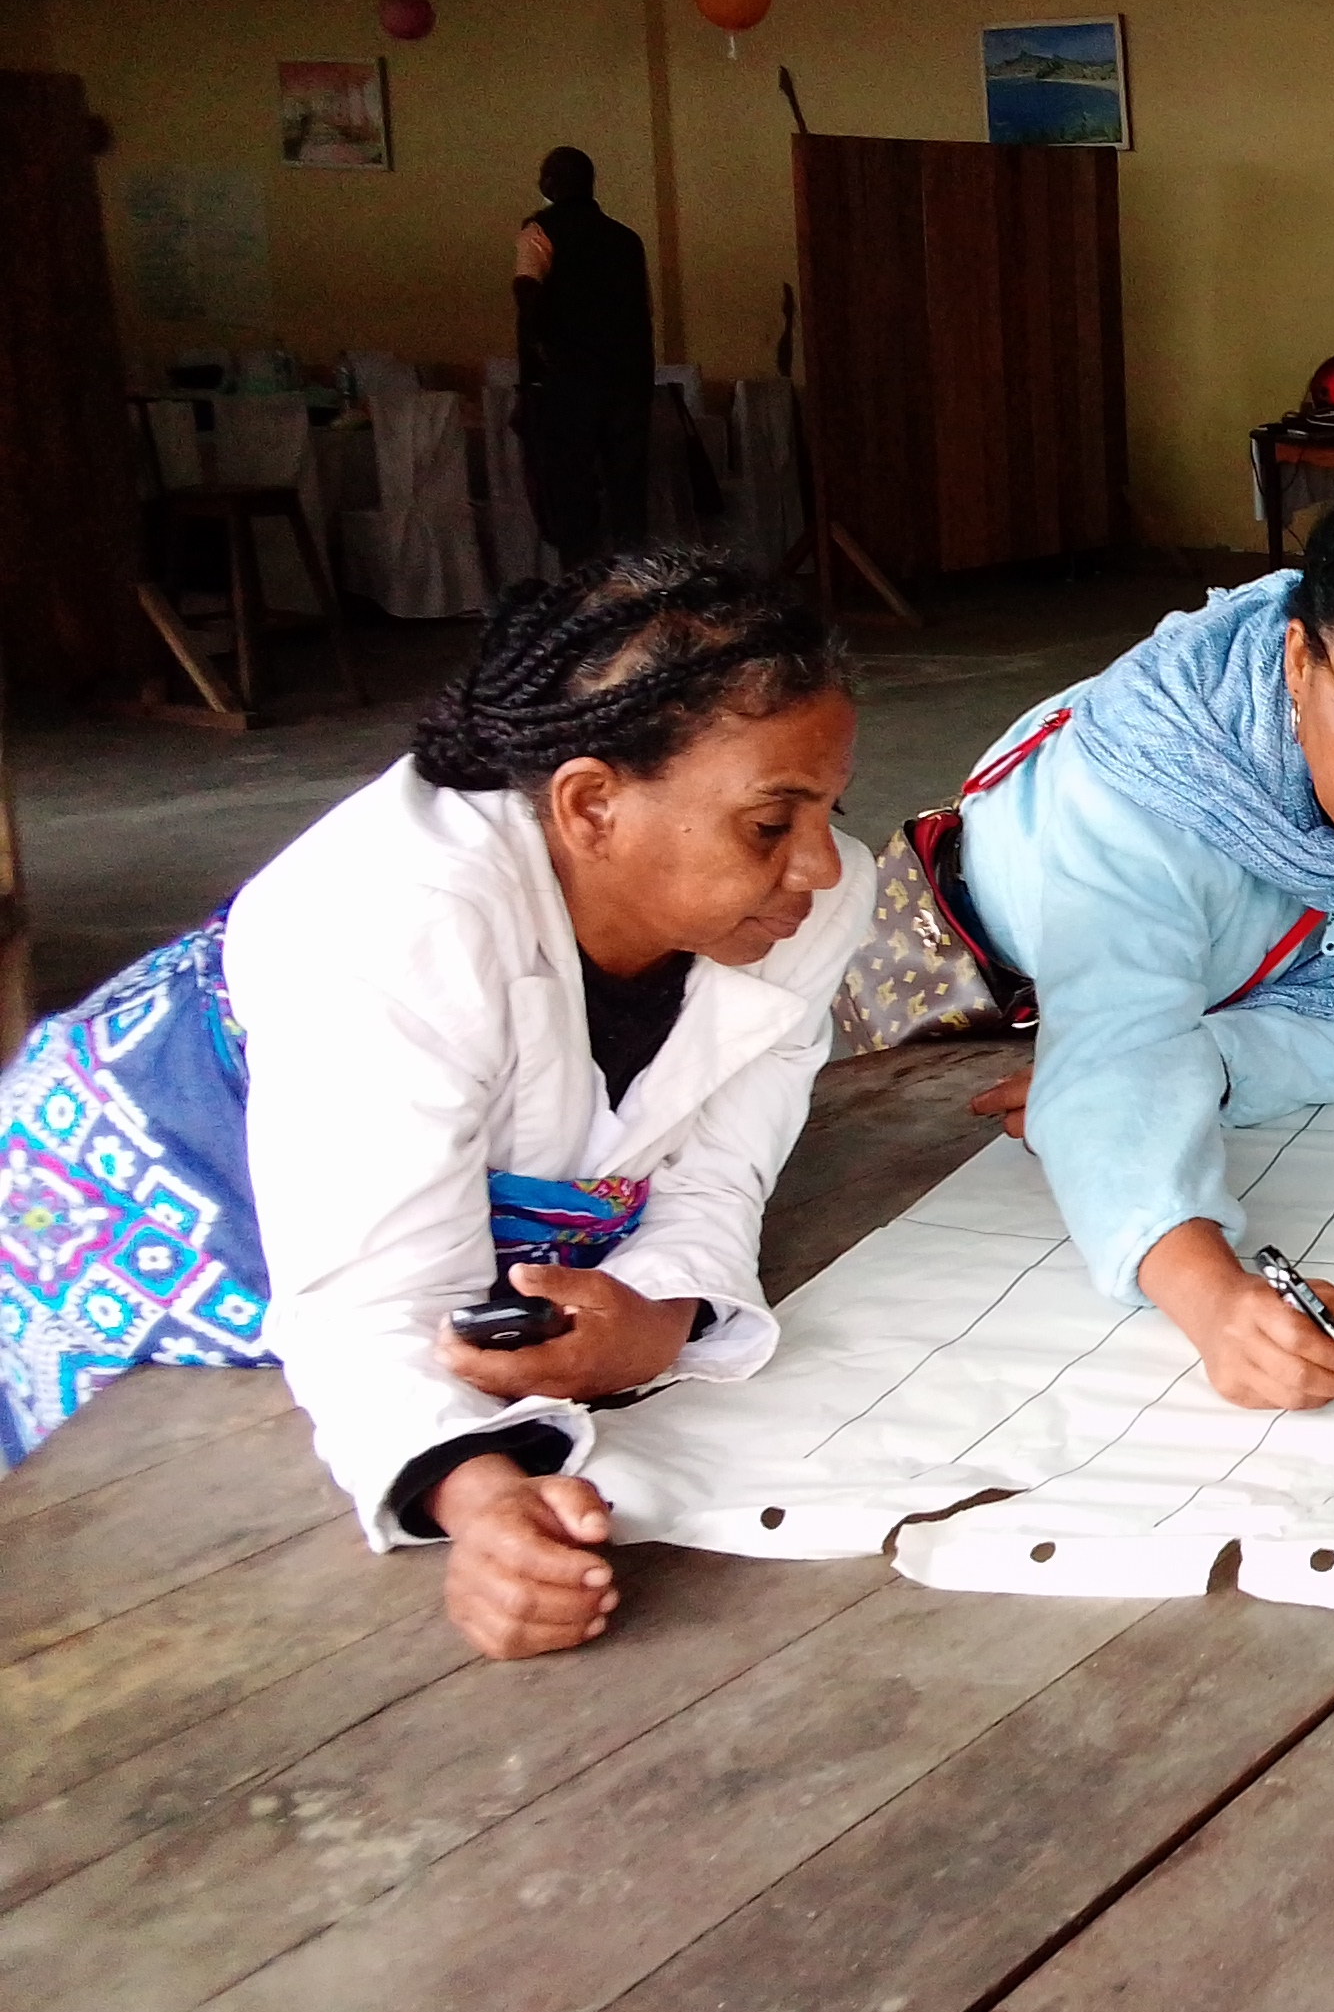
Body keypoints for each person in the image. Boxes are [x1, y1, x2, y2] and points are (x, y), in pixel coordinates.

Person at [0, 554, 869, 1658]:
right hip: (155, 1189)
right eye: (768, 824)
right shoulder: (395, 919)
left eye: (829, 810)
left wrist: (662, 1317)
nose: (822, 869)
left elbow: (719, 1172)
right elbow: (366, 1295)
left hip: (463, 1201)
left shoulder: (805, 903)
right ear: (592, 804)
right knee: (109, 1542)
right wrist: (473, 1491)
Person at [957, 460, 1334, 1413]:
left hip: (1210, 981)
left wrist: (1204, 1065)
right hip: (999, 964)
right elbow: (1114, 1052)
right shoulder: (1143, 790)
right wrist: (1217, 1301)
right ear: (1299, 659)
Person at [515, 146, 657, 564]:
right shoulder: (628, 240)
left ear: (551, 183)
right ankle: (635, 585)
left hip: (569, 378)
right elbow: (643, 313)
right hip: (628, 377)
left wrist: (531, 377)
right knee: (628, 488)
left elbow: (529, 299)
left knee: (570, 488)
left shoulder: (538, 231)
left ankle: (579, 589)